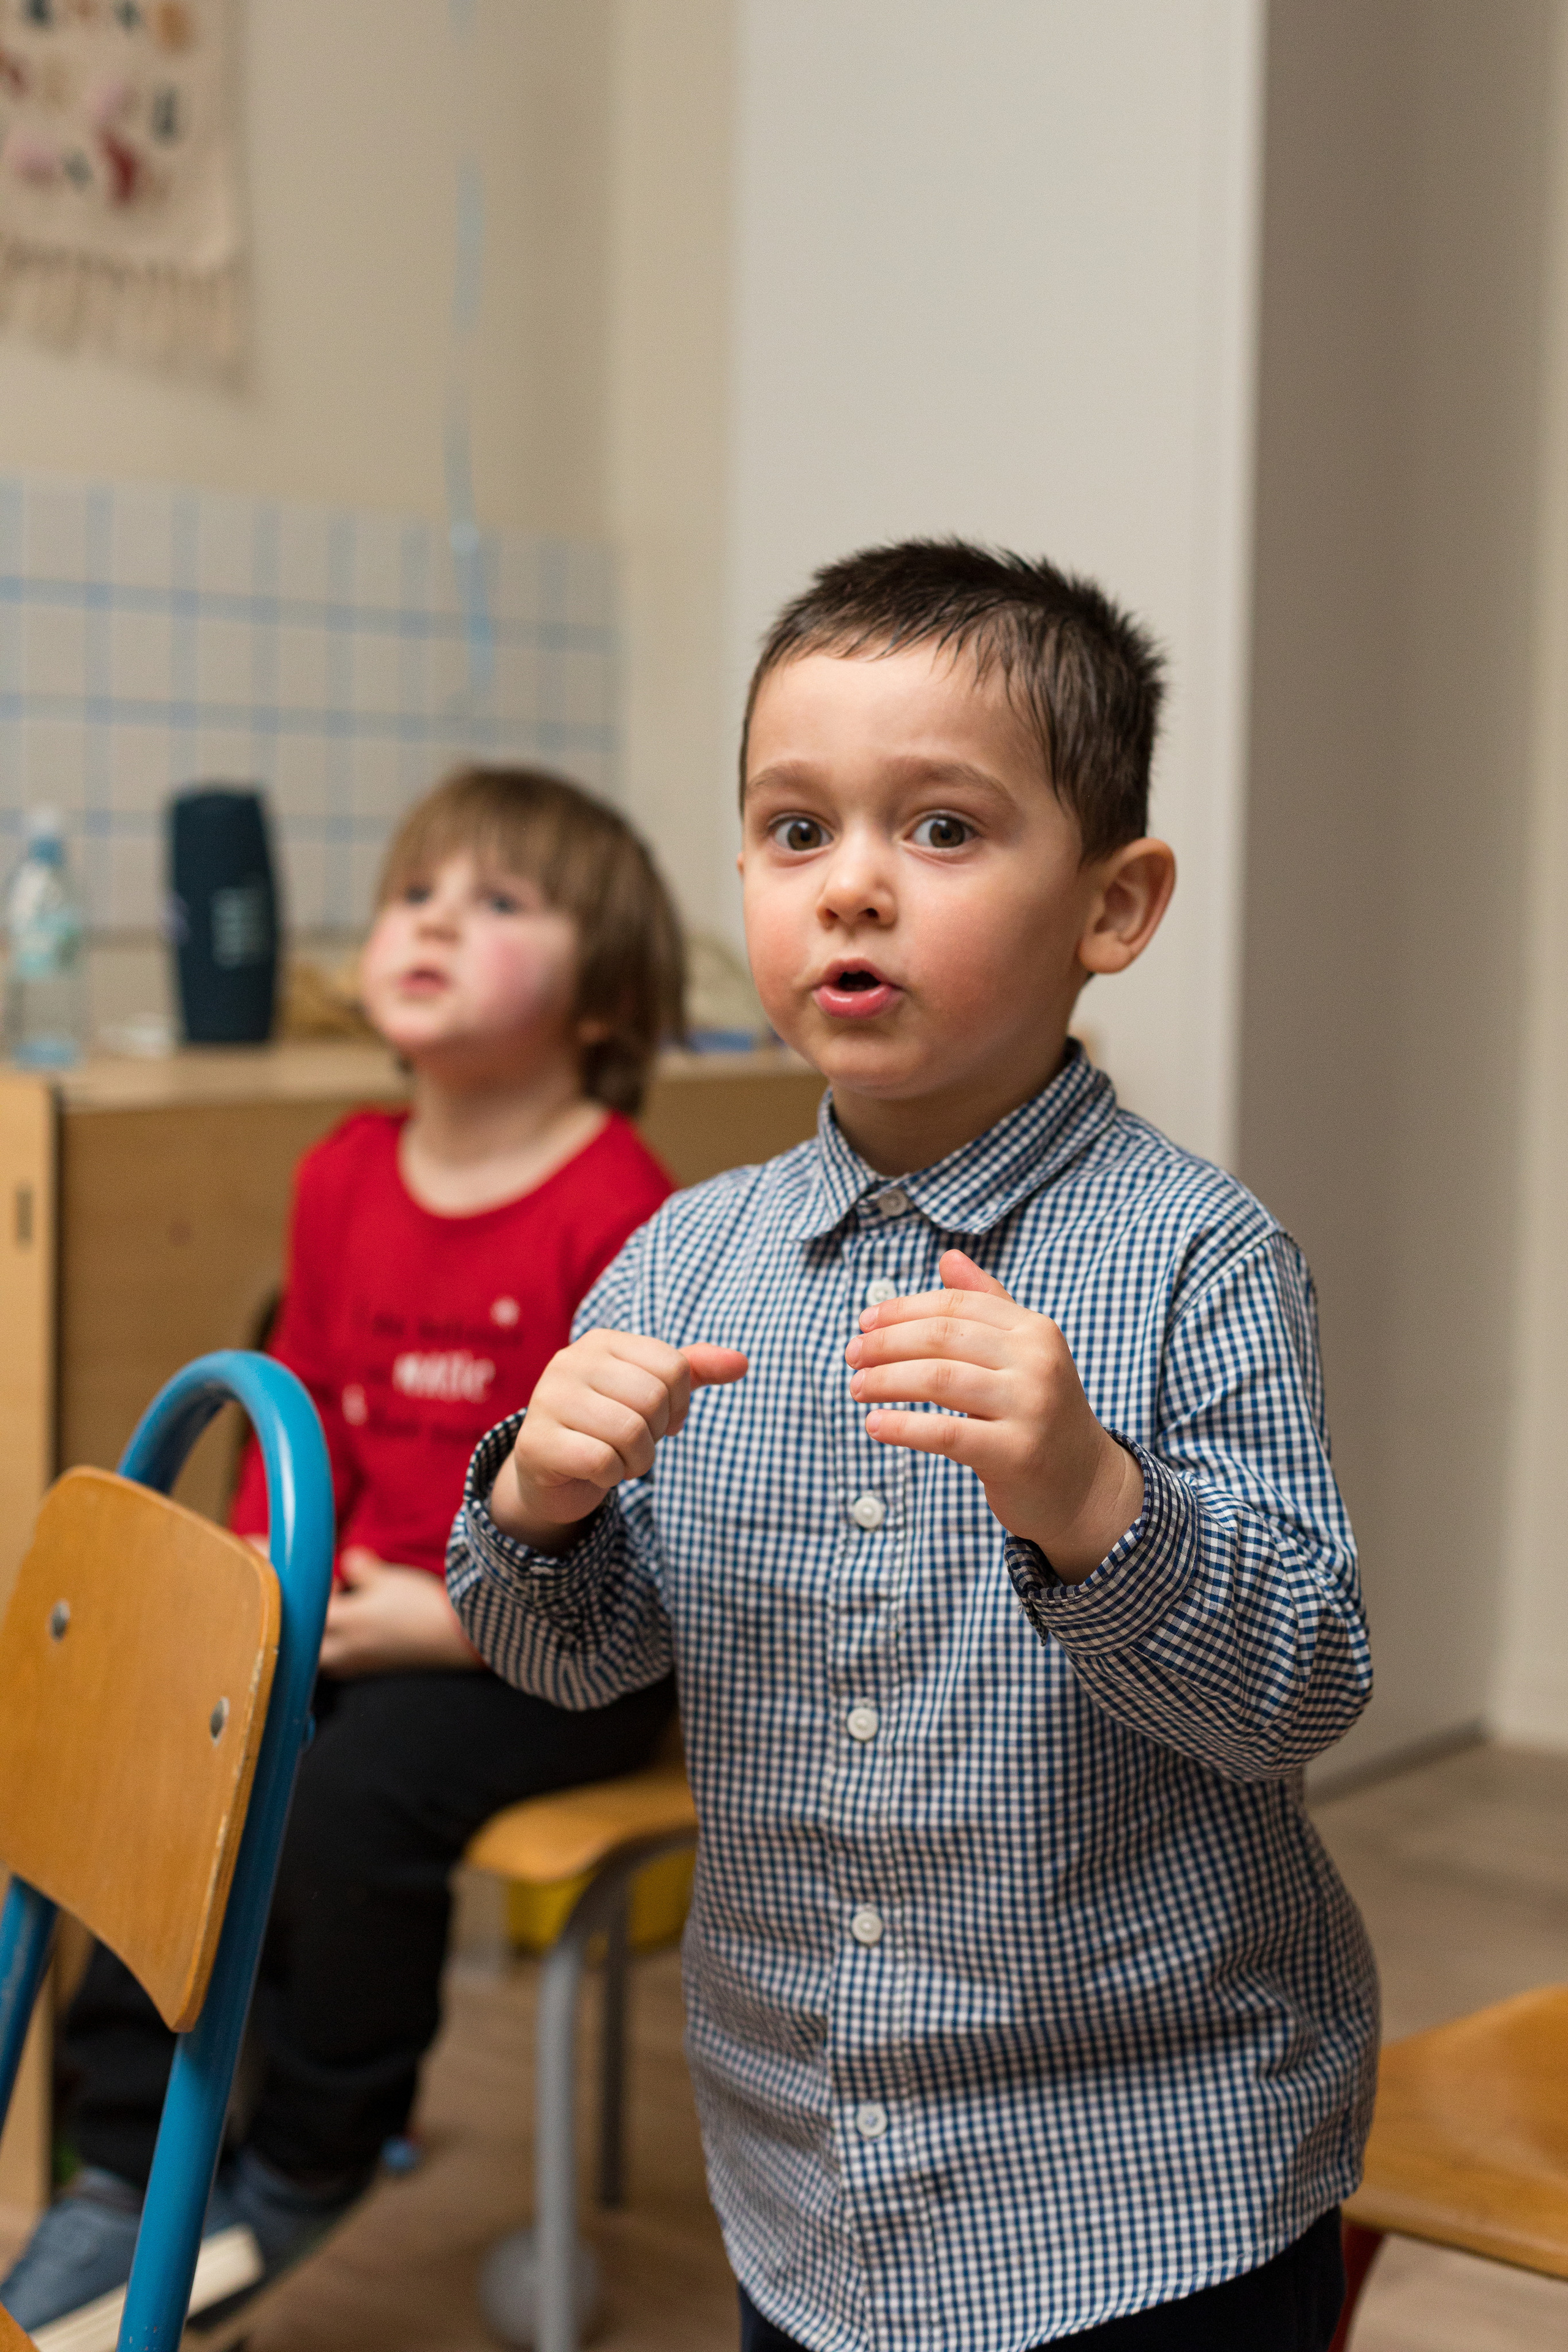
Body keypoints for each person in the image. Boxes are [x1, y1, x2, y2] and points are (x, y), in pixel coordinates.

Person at [445, 543, 1378, 2352]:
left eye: (940, 831)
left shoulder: (1201, 1259)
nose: (853, 888)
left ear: (1114, 906)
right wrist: (536, 1509)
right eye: (797, 833)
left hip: (1151, 2176)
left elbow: (1307, 1684)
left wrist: (1095, 1503)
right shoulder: (679, 1257)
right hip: (803, 2170)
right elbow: (582, 1659)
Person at [2, 766, 682, 2336]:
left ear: (606, 996)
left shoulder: (619, 1207)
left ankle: (315, 2153)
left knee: (353, 1801)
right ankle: (119, 2166)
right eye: (417, 892)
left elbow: (652, 1535)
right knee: (166, 1747)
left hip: (535, 1645)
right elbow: (293, 1430)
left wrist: (443, 1622)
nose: (437, 917)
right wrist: (256, 1614)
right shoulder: (343, 1173)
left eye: (499, 901)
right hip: (344, 1614)